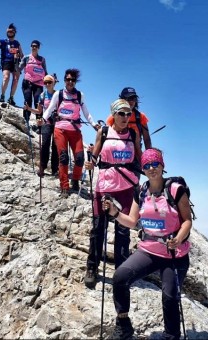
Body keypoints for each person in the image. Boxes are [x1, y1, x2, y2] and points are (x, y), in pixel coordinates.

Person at [102, 148, 193, 340]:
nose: (151, 168)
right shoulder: (141, 191)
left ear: (162, 165)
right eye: (147, 165)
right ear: (142, 168)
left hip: (173, 254)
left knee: (170, 297)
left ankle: (171, 336)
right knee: (120, 277)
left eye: (155, 164)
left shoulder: (176, 190)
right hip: (149, 251)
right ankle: (124, 325)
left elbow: (187, 221)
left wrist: (178, 239)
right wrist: (115, 213)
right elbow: (132, 221)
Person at [83, 99, 142, 289]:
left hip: (126, 186)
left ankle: (121, 270)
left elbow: (139, 158)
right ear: (114, 115)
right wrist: (91, 162)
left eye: (128, 114)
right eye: (121, 114)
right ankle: (92, 267)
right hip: (106, 185)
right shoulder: (105, 131)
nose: (126, 117)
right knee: (98, 228)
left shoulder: (133, 134)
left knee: (123, 231)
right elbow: (96, 155)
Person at [40, 69, 100, 197]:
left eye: (73, 80)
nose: (70, 82)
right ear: (64, 80)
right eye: (68, 79)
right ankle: (64, 187)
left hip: (75, 130)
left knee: (79, 158)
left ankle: (76, 180)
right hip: (60, 129)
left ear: (75, 82)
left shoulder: (80, 95)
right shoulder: (59, 94)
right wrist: (43, 119)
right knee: (63, 157)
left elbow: (86, 112)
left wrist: (93, 124)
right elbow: (50, 109)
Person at [25, 74, 59, 177]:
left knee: (56, 146)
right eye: (45, 82)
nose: (47, 84)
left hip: (57, 123)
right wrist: (29, 109)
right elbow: (39, 111)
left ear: (54, 83)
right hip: (46, 123)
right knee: (45, 145)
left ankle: (55, 169)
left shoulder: (59, 95)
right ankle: (42, 167)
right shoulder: (42, 95)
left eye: (49, 82)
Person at [19, 40, 47, 122]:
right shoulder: (26, 58)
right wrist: (16, 62)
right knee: (28, 101)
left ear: (38, 48)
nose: (34, 47)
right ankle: (26, 120)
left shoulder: (42, 59)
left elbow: (45, 72)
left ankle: (39, 122)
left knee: (38, 103)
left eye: (36, 46)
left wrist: (49, 80)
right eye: (33, 46)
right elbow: (19, 69)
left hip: (39, 84)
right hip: (27, 83)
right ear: (31, 47)